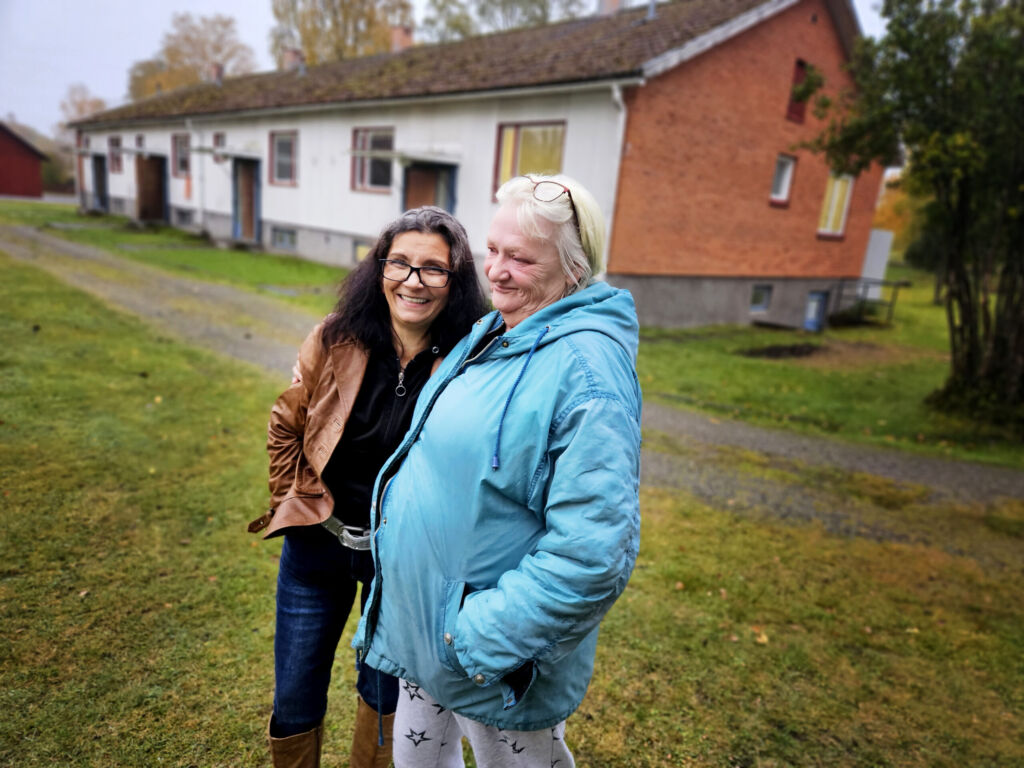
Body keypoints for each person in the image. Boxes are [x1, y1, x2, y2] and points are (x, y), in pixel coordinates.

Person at [352, 175, 642, 767]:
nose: (496, 271)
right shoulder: (495, 333)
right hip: (427, 635)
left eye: (520, 258)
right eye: (492, 250)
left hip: (485, 656)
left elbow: (594, 553)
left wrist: (479, 636)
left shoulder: (588, 374)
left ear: (575, 268)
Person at [248, 206, 488, 768]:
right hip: (317, 548)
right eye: (399, 262)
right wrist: (293, 497)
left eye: (434, 268)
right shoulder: (336, 338)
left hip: (403, 563)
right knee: (295, 695)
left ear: (456, 281)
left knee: (384, 699)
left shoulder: (470, 361)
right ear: (379, 267)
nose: (413, 280)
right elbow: (286, 423)